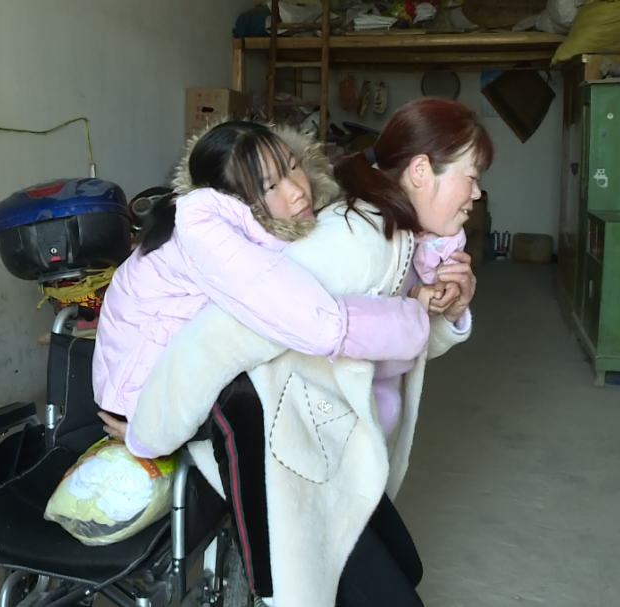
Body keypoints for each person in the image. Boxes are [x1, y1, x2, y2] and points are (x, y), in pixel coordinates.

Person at [127, 97, 492, 607]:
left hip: (335, 445)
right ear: (420, 171)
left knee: (406, 567)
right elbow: (222, 333)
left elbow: (393, 346)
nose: (476, 193)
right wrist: (147, 432)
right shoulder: (354, 240)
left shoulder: (400, 231)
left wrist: (449, 311)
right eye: (470, 177)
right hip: (291, 456)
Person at [91, 120, 437, 458]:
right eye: (271, 186)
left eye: (293, 167)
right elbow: (317, 325)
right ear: (234, 197)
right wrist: (413, 320)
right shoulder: (205, 230)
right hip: (141, 397)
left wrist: (433, 262)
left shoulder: (263, 218)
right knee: (289, 384)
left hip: (174, 377)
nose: (297, 189)